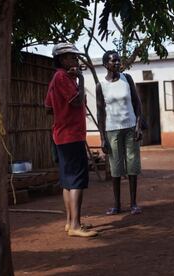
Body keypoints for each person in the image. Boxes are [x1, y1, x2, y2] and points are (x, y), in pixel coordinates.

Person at [45, 42, 97, 237]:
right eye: (72, 57)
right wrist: (81, 80)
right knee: (76, 181)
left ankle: (70, 222)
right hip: (71, 135)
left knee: (67, 181)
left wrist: (62, 112)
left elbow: (48, 107)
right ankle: (75, 225)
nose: (76, 60)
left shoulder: (56, 79)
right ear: (61, 59)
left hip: (60, 134)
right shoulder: (63, 77)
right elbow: (76, 100)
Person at [96, 50, 143, 215]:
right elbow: (100, 113)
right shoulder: (101, 86)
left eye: (118, 61)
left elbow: (137, 104)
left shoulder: (127, 79)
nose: (117, 63)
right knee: (115, 169)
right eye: (113, 61)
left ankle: (133, 203)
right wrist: (102, 137)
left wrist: (138, 125)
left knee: (132, 166)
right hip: (112, 130)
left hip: (130, 128)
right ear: (105, 64)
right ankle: (116, 205)